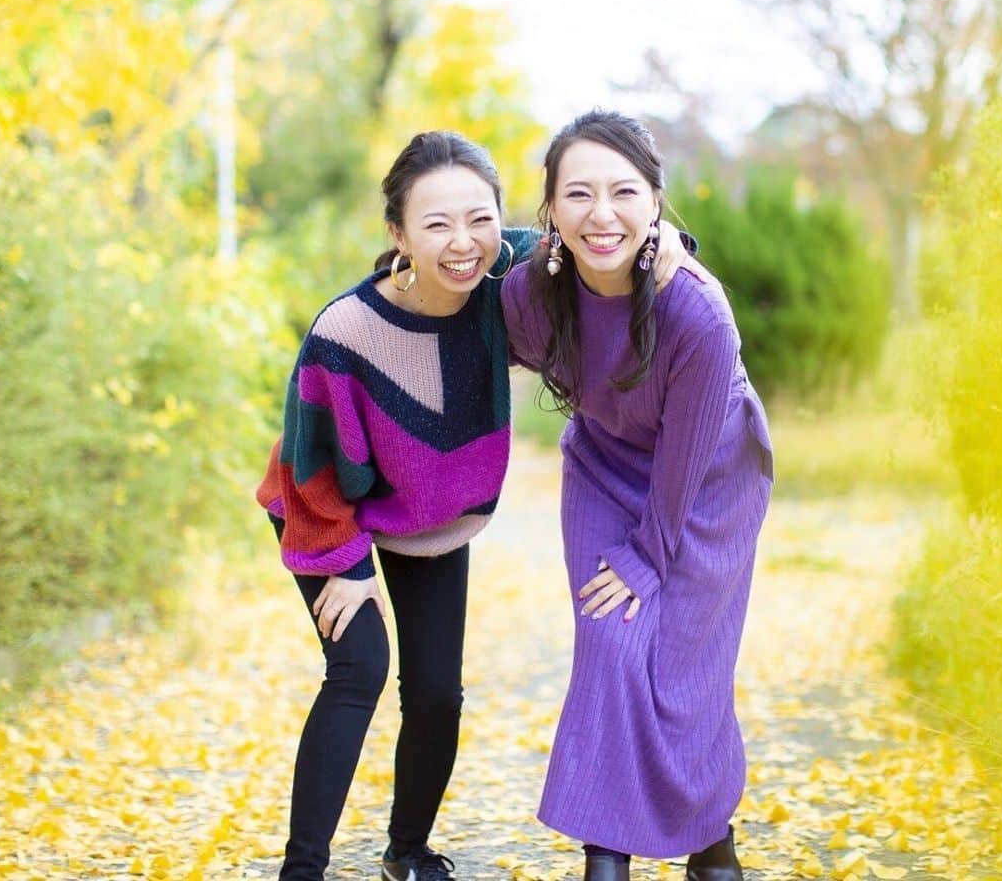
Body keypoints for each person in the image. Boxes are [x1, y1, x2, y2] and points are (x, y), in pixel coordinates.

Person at [256, 129, 696, 881]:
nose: (463, 243)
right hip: (325, 508)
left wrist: (672, 243)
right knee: (359, 667)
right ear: (397, 233)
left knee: (436, 693)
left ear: (504, 219)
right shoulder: (346, 331)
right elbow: (310, 460)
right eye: (435, 224)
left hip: (430, 516)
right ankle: (301, 870)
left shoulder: (509, 285)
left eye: (479, 218)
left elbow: (595, 240)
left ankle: (407, 850)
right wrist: (344, 564)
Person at [500, 111, 774, 881]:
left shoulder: (697, 313)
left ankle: (709, 837)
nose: (602, 213)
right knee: (611, 636)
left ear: (655, 201)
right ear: (550, 208)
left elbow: (687, 460)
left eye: (623, 192)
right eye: (578, 194)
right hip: (604, 464)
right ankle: (606, 850)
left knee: (687, 665)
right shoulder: (531, 295)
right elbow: (465, 309)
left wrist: (653, 555)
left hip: (709, 479)